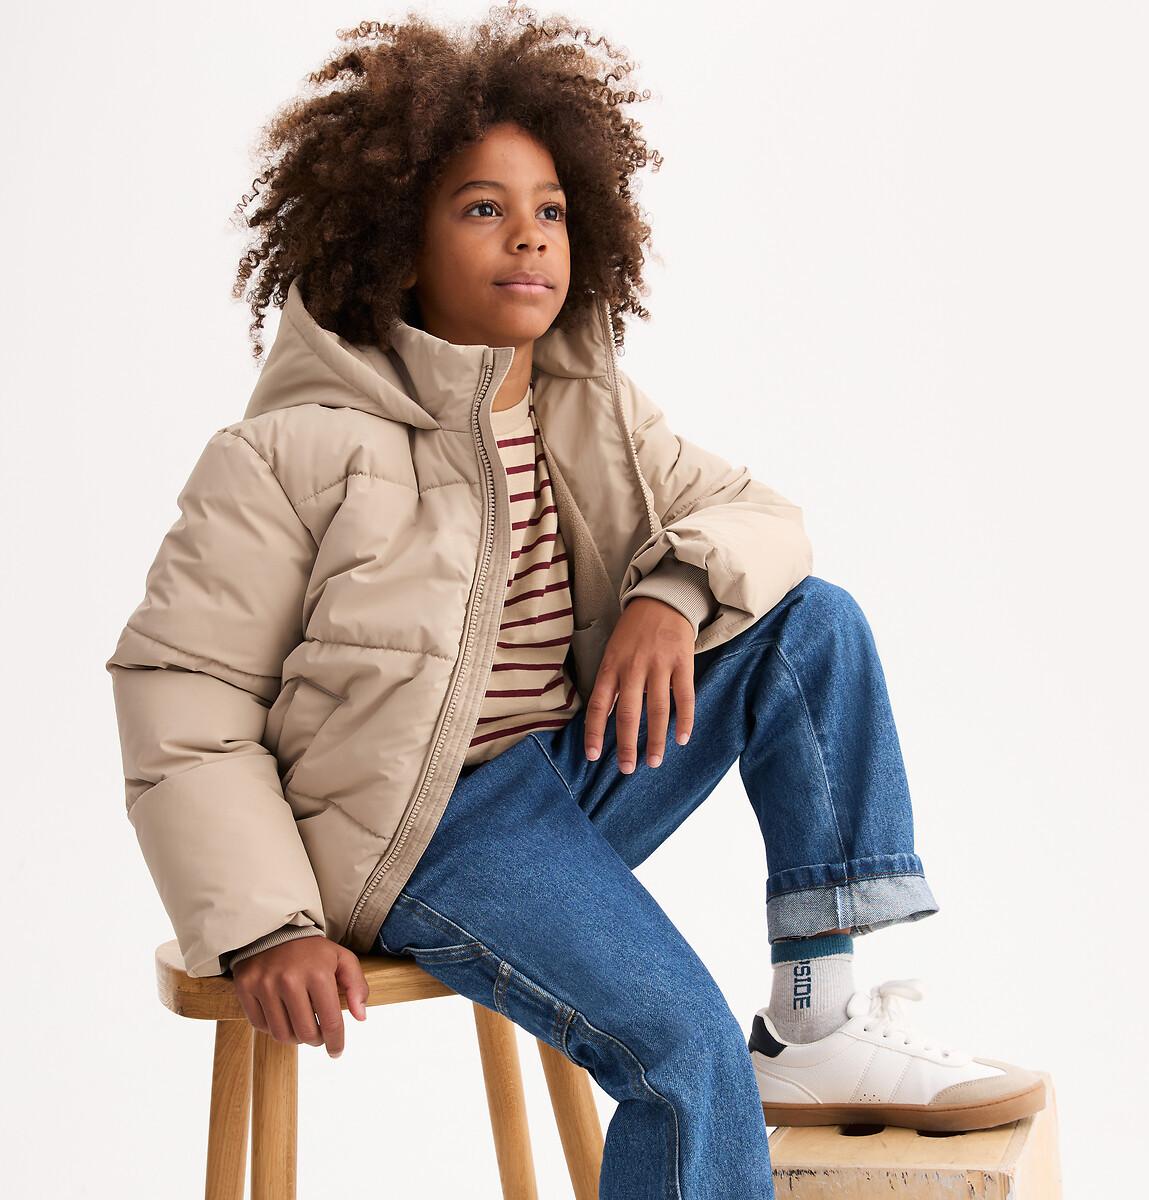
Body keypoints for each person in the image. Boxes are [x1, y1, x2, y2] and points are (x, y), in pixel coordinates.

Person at [104, 9, 1043, 1196]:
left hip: (572, 772)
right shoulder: (290, 453)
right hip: (425, 835)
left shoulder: (587, 404)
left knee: (813, 626)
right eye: (481, 209)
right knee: (683, 1053)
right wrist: (266, 923)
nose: (530, 238)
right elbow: (184, 697)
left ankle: (815, 1016)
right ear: (398, 244)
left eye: (550, 210)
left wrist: (673, 590)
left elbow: (763, 520)